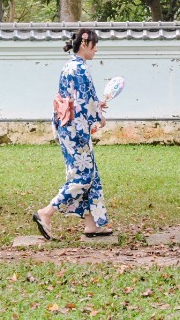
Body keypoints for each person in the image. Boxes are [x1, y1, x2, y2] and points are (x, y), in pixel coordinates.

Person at [33, 29, 113, 239]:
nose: (96, 49)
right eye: (94, 44)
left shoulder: (69, 66)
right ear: (85, 44)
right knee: (84, 175)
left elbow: (78, 99)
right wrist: (98, 117)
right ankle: (46, 212)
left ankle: (92, 223)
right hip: (75, 129)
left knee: (90, 173)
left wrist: (95, 107)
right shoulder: (80, 69)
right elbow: (84, 102)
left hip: (67, 126)